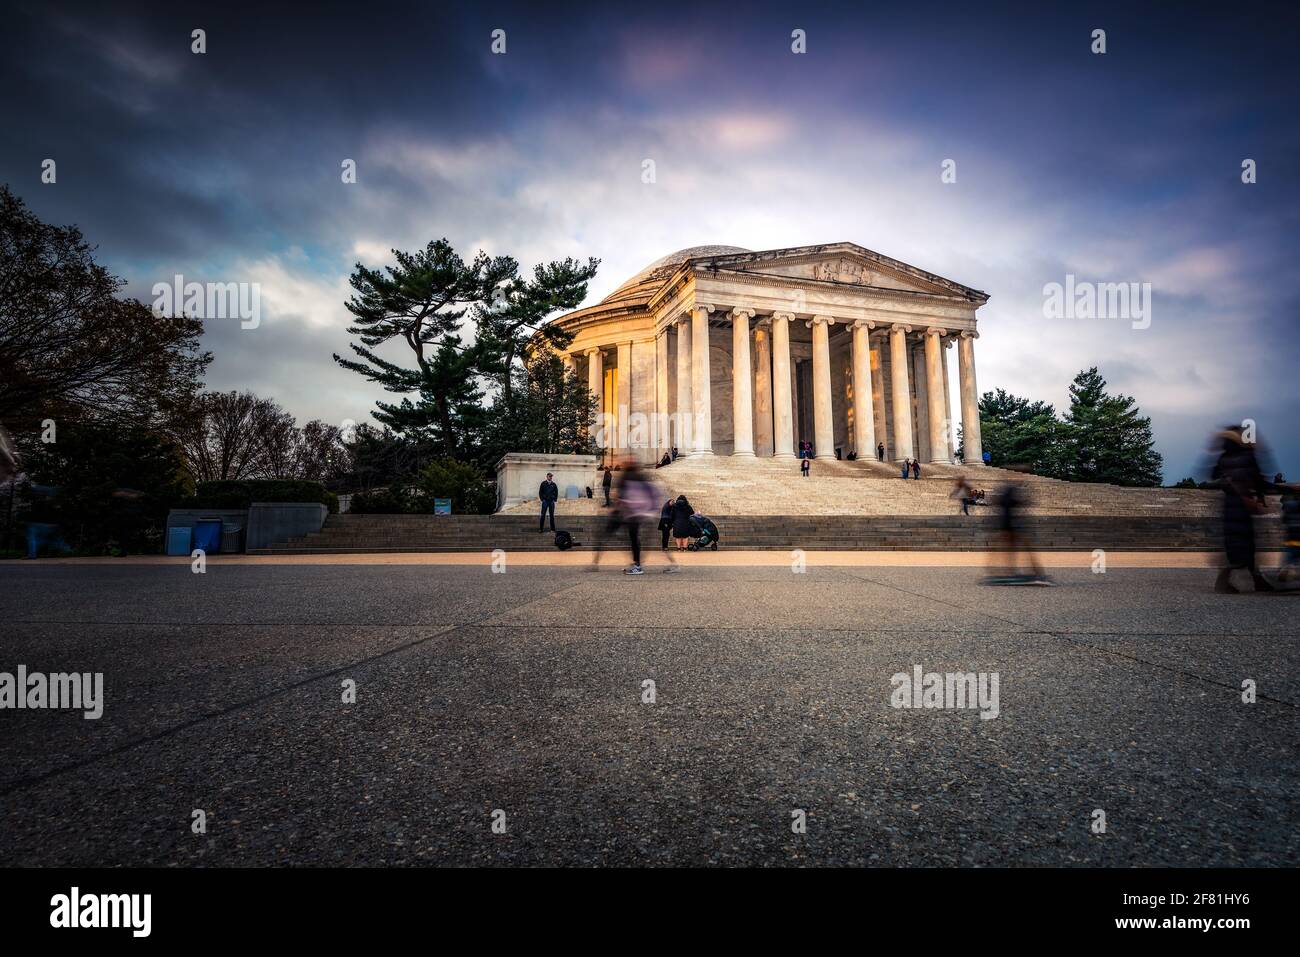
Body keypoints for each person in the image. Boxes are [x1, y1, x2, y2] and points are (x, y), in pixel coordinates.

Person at [1210, 426, 1274, 593]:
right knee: (1247, 543)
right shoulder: (1247, 455)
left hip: (1229, 505)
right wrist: (1261, 496)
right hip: (1243, 505)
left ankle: (1227, 581)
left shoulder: (1223, 457)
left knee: (1233, 543)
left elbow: (1213, 476)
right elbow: (1258, 479)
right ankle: (1255, 579)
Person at [987, 477, 1052, 585]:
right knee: (1023, 547)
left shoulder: (1007, 490)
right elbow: (1012, 504)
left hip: (1008, 523)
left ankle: (1011, 571)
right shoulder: (1010, 491)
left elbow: (1001, 504)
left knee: (1011, 548)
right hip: (1009, 524)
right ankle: (1035, 572)